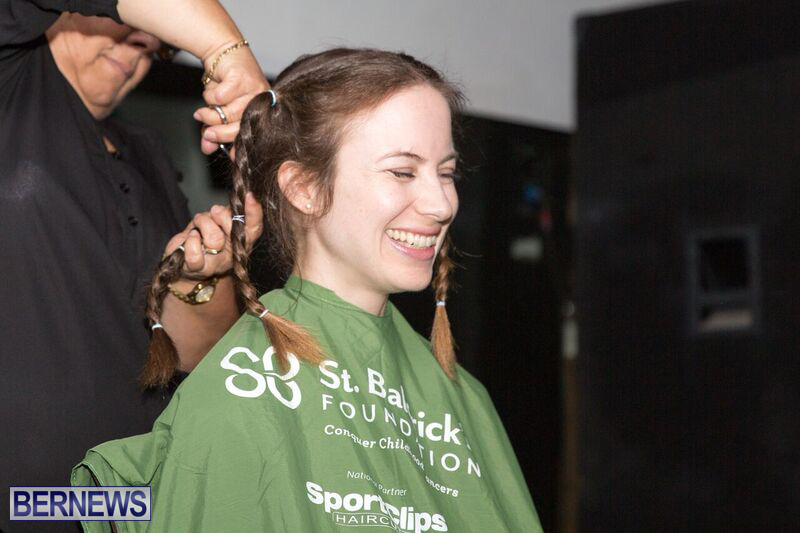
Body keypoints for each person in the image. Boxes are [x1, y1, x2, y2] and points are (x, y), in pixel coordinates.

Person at [73, 48, 543, 532]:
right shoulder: (238, 393)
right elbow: (80, 503)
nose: (442, 204)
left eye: (446, 173)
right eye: (403, 171)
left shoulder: (466, 399)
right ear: (303, 188)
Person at [0, 1, 266, 530]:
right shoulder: (12, 77)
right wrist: (226, 50)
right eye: (131, 25)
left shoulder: (146, 153)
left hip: (126, 501)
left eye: (157, 46)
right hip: (18, 492)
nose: (144, 46)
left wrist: (201, 276)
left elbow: (190, 356)